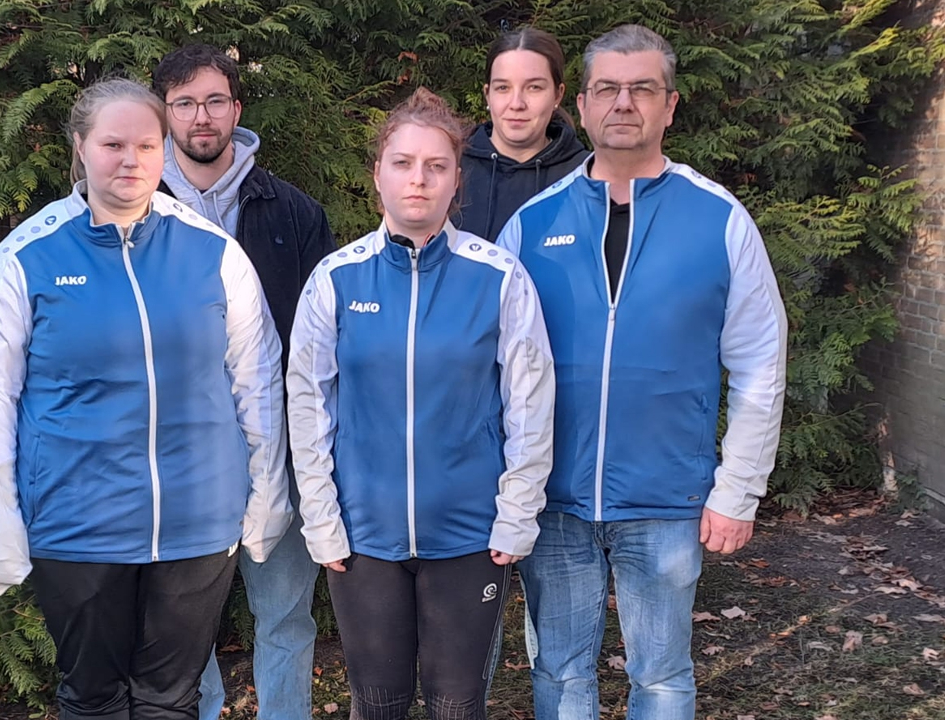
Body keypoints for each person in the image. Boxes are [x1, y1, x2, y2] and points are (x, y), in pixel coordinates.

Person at [0, 77, 291, 720]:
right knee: (94, 698)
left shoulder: (213, 252)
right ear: (80, 147)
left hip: (198, 522)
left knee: (172, 698)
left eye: (146, 144)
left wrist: (266, 496)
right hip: (78, 526)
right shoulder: (26, 258)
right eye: (113, 144)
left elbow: (257, 381)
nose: (131, 160)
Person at [496, 25, 788, 720]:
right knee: (559, 672)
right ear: (582, 105)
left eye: (642, 89)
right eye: (607, 89)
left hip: (666, 501)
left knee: (660, 678)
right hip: (554, 501)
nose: (623, 103)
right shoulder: (532, 225)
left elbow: (759, 363)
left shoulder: (720, 220)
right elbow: (496, 371)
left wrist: (738, 489)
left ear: (670, 105)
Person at [287, 87, 556, 720]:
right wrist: (321, 518)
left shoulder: (499, 277)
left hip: (468, 534)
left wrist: (517, 513)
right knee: (378, 704)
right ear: (377, 174)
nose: (418, 179)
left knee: (456, 705)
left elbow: (530, 403)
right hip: (364, 537)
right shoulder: (335, 279)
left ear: (457, 179)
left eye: (436, 166)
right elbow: (308, 404)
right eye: (403, 163)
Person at [150, 44, 336, 720]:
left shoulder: (293, 213)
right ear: (164, 114)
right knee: (181, 630)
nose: (201, 116)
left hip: (278, 451)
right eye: (184, 103)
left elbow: (322, 346)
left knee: (284, 616)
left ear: (236, 108)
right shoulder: (134, 210)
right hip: (174, 458)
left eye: (214, 101)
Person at [456, 27, 589, 243]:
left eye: (534, 87)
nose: (516, 104)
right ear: (487, 95)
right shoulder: (452, 168)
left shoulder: (586, 176)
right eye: (503, 88)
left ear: (558, 95)